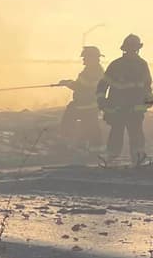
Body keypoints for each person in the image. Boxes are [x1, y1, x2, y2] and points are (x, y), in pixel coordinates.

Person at [96, 34, 151, 165]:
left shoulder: (141, 65)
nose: (132, 51)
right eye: (130, 49)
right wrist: (102, 102)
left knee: (136, 134)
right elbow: (102, 86)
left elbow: (147, 88)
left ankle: (138, 158)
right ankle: (111, 157)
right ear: (125, 49)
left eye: (133, 48)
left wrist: (145, 105)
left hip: (133, 109)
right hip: (118, 109)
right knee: (117, 133)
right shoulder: (116, 65)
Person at [57, 46, 104, 148]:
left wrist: (68, 83)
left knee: (90, 126)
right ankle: (84, 145)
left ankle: (68, 140)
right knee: (88, 126)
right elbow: (81, 84)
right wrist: (68, 82)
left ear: (92, 58)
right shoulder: (91, 70)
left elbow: (82, 86)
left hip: (88, 105)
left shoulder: (93, 71)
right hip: (85, 104)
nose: (84, 61)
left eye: (85, 58)